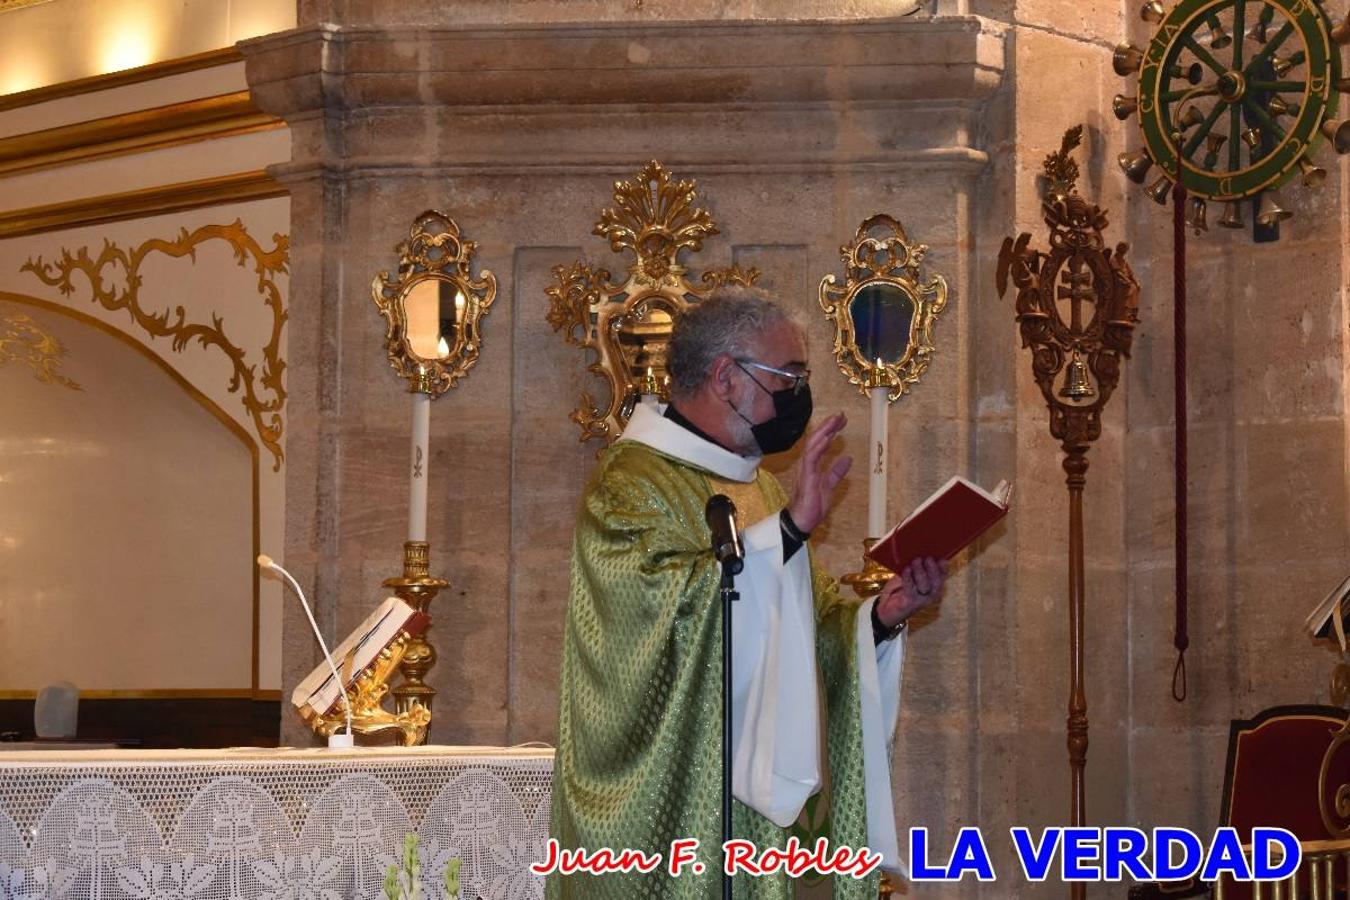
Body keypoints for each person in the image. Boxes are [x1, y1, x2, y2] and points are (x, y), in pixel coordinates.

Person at [547, 287, 948, 899]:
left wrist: (882, 616)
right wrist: (787, 532)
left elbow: (805, 624)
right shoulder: (629, 480)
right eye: (788, 376)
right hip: (663, 805)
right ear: (727, 378)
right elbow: (657, 617)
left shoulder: (757, 487)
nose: (799, 394)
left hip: (747, 819)